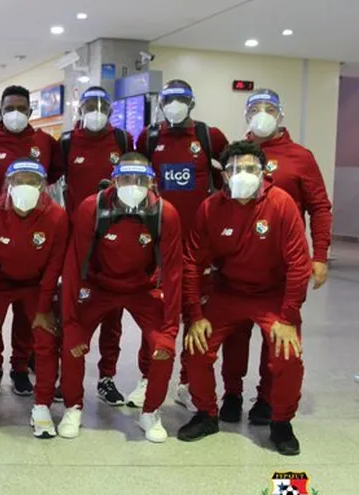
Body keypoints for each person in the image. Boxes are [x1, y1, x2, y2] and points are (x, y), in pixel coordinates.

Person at [178, 140, 311, 456]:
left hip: (272, 295)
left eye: (250, 168)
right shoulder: (210, 208)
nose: (242, 174)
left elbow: (298, 264)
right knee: (196, 347)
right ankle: (206, 413)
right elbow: (191, 263)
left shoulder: (281, 204)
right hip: (227, 291)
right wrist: (195, 316)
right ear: (223, 175)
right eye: (234, 169)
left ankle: (281, 423)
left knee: (287, 353)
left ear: (263, 172)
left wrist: (289, 317)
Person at [215, 88, 333, 425]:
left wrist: (320, 254)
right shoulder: (235, 155)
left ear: (280, 115)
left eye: (269, 108)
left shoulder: (300, 157)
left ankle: (267, 399)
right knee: (235, 337)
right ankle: (232, 394)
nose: (262, 114)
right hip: (236, 265)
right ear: (246, 116)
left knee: (278, 335)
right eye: (255, 108)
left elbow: (319, 207)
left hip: (281, 266)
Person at [58, 154, 182, 443]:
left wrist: (170, 329)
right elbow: (73, 265)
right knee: (71, 343)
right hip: (98, 286)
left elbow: (174, 272)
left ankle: (150, 412)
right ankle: (73, 406)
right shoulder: (92, 207)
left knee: (163, 348)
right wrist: (70, 323)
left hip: (143, 289)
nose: (133, 185)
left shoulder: (166, 213)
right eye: (127, 179)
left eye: (141, 180)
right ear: (115, 180)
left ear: (151, 182)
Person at [136, 79, 229, 410]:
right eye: (169, 100)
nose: (174, 105)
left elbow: (229, 175)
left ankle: (188, 384)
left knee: (195, 313)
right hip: (157, 242)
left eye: (181, 99)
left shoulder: (208, 136)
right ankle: (147, 379)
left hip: (197, 244)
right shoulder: (148, 137)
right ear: (161, 104)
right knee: (155, 313)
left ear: (191, 103)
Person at [0, 159, 67, 439]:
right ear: (7, 185)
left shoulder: (56, 216)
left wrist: (44, 308)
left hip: (36, 285)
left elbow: (54, 266)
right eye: (19, 181)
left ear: (43, 187)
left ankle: (42, 404)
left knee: (45, 340)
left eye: (32, 182)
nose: (25, 187)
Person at [0, 84, 65, 396]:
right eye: (9, 108)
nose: (16, 113)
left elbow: (53, 181)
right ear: (0, 111)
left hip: (34, 236)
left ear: (31, 111)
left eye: (22, 108)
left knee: (28, 317)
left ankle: (19, 367)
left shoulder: (44, 142)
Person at [61, 86, 136, 408]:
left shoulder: (122, 141)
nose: (95, 110)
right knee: (73, 308)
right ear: (80, 108)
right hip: (78, 239)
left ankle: (107, 377)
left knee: (113, 313)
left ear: (110, 110)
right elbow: (44, 179)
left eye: (101, 105)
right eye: (89, 104)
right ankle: (68, 377)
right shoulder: (66, 143)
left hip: (116, 239)